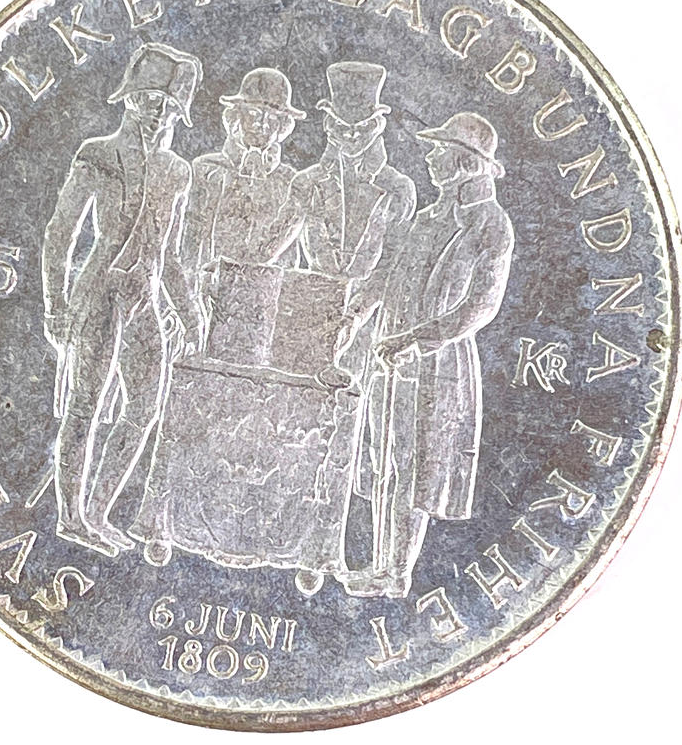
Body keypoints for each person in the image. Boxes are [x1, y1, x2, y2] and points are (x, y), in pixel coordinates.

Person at [40, 42, 206, 557]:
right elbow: (60, 234)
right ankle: (70, 517)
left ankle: (97, 512)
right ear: (131, 97)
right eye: (151, 99)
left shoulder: (178, 171)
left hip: (144, 299)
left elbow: (169, 253)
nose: (159, 113)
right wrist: (55, 304)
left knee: (145, 408)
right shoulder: (97, 153)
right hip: (99, 295)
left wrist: (190, 312)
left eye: (170, 105)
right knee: (85, 405)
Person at [343, 111, 515, 599]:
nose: (430, 157)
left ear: (464, 162)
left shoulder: (491, 225)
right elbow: (386, 274)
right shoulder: (427, 217)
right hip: (390, 356)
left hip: (438, 365)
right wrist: (355, 313)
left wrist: (417, 341)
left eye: (439, 150)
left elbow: (480, 307)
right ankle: (382, 565)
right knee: (386, 462)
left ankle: (396, 573)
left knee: (417, 470)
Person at [291, 62, 415, 284]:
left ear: (378, 125)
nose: (351, 135)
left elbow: (399, 257)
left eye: (363, 126)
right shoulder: (305, 183)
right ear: (328, 124)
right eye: (342, 125)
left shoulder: (398, 189)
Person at [184, 67, 306, 286]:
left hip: (266, 291)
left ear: (282, 126)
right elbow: (189, 239)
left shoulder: (289, 181)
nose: (262, 124)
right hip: (206, 285)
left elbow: (290, 257)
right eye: (253, 114)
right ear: (236, 116)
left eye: (272, 118)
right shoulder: (205, 170)